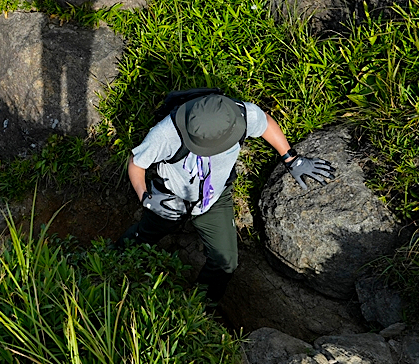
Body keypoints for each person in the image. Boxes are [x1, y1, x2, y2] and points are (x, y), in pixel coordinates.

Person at [121, 92, 334, 303]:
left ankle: (198, 307)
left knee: (225, 263)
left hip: (214, 198)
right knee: (145, 235)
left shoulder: (238, 116)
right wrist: (146, 198)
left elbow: (266, 122)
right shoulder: (166, 133)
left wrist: (292, 159)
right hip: (170, 197)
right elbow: (136, 163)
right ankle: (116, 262)